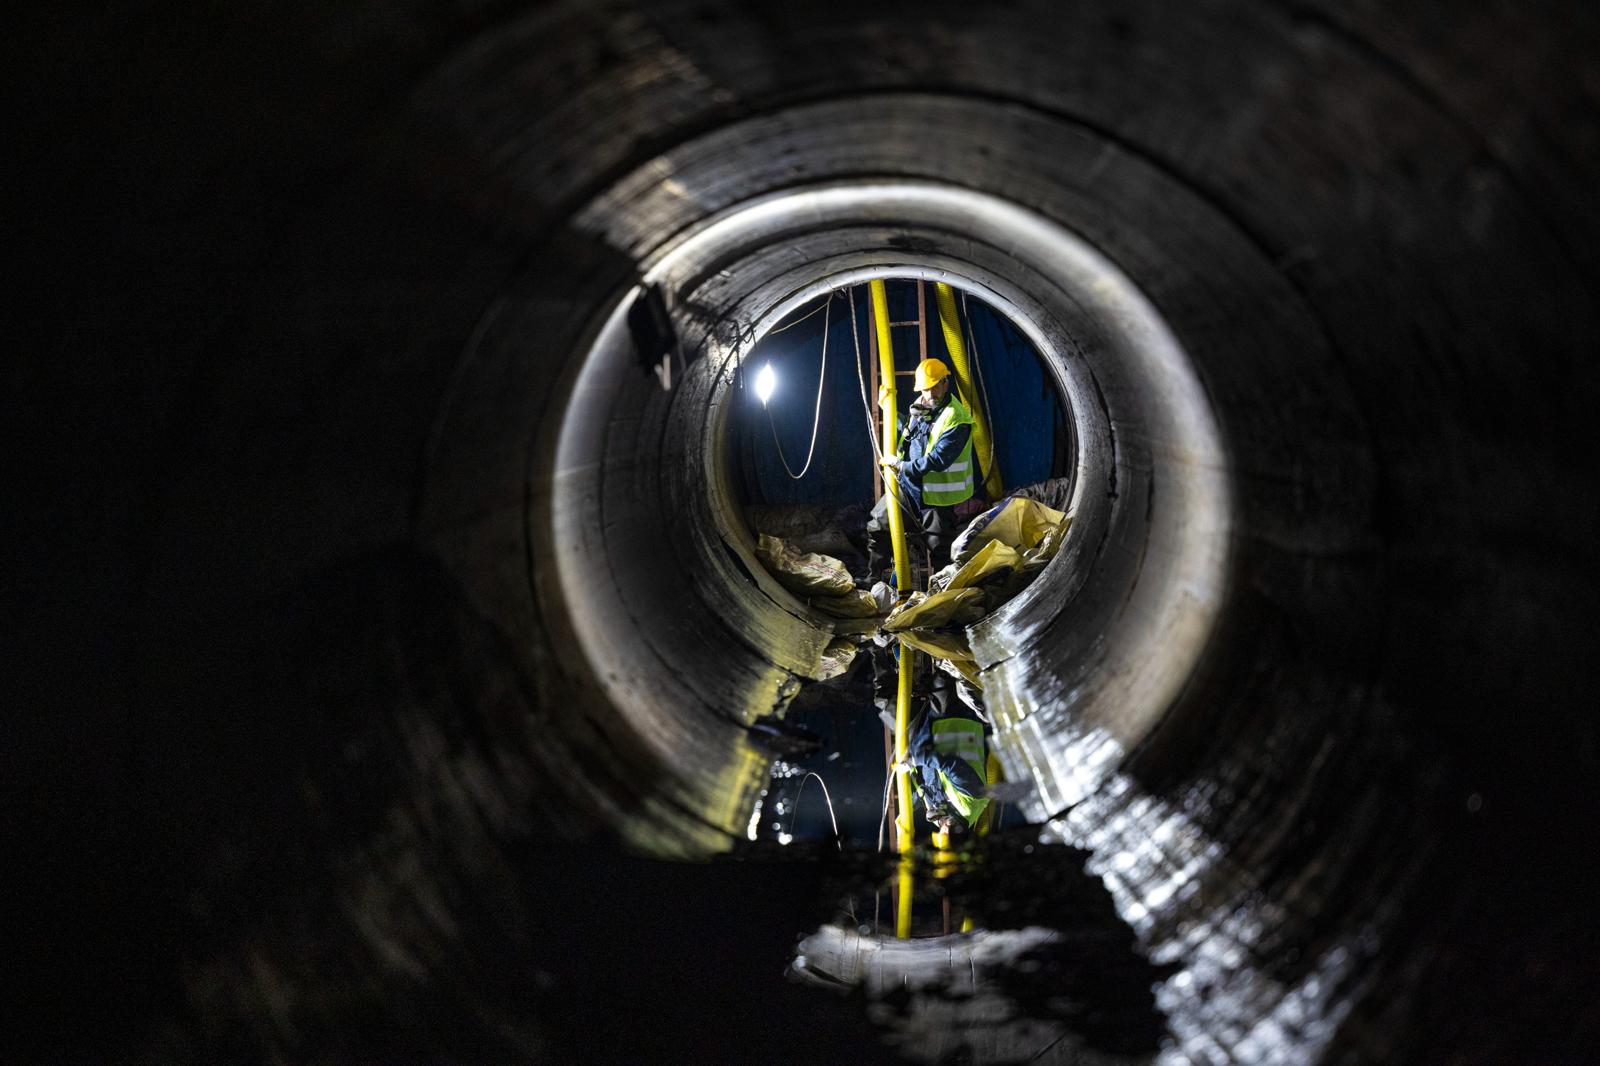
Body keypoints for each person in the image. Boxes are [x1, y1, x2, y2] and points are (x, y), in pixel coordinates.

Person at [867, 357, 978, 579]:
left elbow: (937, 460)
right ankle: (873, 579)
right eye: (925, 389)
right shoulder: (923, 406)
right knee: (878, 526)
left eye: (934, 387)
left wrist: (900, 465)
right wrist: (889, 412)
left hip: (937, 498)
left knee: (939, 548)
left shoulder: (956, 419)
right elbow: (911, 433)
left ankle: (940, 592)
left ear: (945, 383)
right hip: (908, 488)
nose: (929, 394)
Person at [896, 683, 991, 847]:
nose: (944, 830)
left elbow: (925, 790)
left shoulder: (939, 817)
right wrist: (914, 761)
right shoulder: (971, 803)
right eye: (948, 834)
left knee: (887, 701)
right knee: (943, 678)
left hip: (928, 734)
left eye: (943, 833)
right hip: (956, 720)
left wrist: (907, 809)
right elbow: (951, 765)